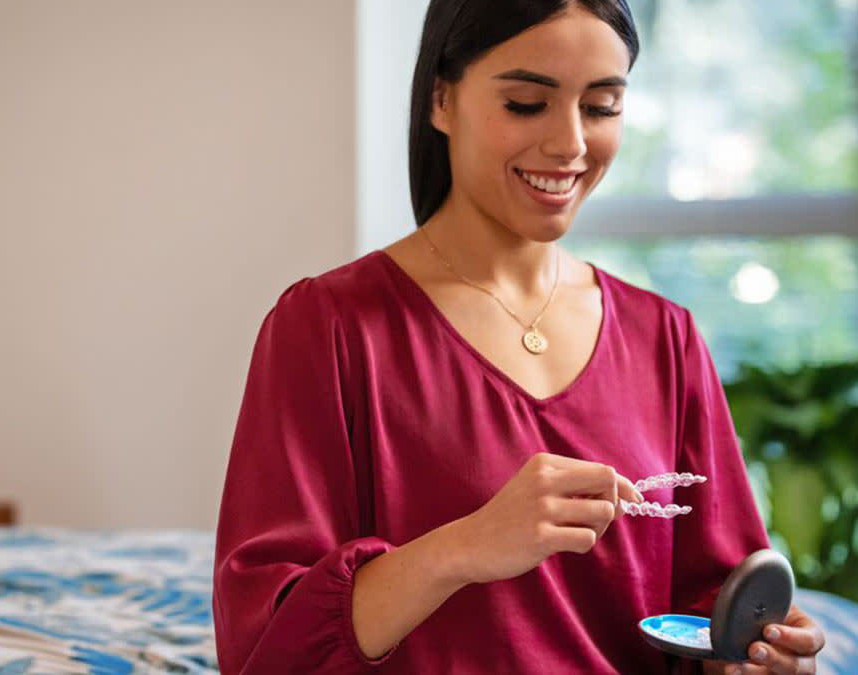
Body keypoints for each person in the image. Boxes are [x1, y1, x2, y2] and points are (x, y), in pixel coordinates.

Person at [212, 0, 826, 672]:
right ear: (440, 100)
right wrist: (466, 546)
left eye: (600, 107)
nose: (570, 144)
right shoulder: (326, 329)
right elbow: (265, 649)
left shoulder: (667, 340)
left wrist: (758, 656)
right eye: (528, 103)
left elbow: (714, 610)